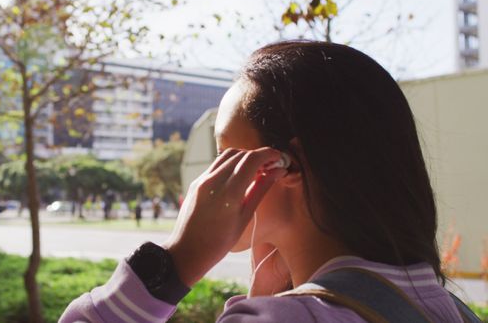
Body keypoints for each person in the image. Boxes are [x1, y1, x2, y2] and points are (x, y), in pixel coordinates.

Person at [59, 41, 479, 322]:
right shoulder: (453, 310)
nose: (206, 179)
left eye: (226, 155)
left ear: (285, 165)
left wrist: (176, 262)